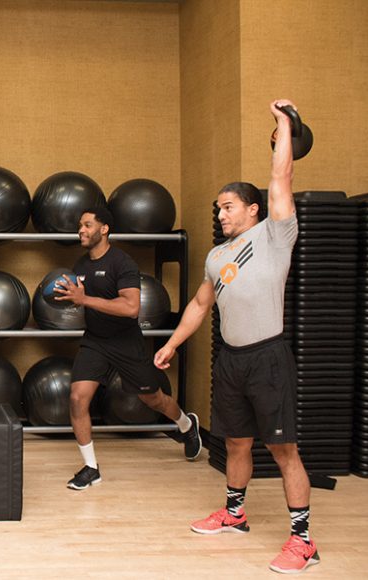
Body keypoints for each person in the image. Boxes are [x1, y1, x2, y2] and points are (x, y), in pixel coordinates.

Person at [154, 99, 319, 574]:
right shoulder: (217, 256)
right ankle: (235, 513)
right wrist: (172, 343)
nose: (221, 214)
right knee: (237, 443)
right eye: (218, 208)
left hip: (267, 357)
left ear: (253, 209)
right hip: (231, 360)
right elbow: (200, 304)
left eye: (228, 207)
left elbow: (281, 178)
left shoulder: (274, 236)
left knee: (284, 451)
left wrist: (283, 126)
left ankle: (303, 541)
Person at [53, 205, 202, 491]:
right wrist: (63, 297)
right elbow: (81, 299)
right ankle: (91, 468)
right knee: (77, 398)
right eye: (80, 226)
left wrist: (85, 300)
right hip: (95, 340)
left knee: (153, 399)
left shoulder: (122, 263)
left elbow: (131, 308)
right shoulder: (81, 265)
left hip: (125, 342)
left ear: (104, 229)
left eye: (87, 225)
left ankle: (186, 425)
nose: (81, 230)